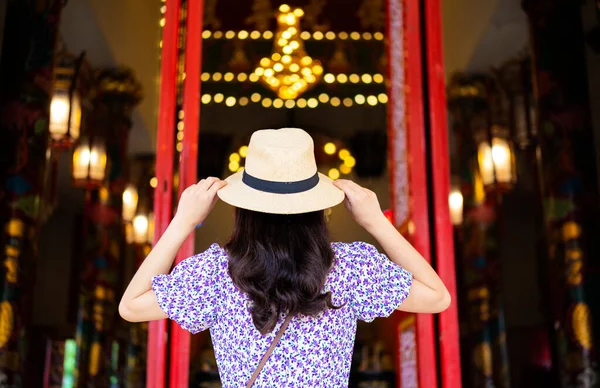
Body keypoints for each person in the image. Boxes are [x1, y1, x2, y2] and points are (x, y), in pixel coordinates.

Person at [119, 128, 450, 387]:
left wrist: (183, 222)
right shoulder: (349, 268)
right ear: (317, 208)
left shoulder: (217, 273)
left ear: (244, 209)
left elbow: (131, 306)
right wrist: (375, 221)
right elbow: (437, 297)